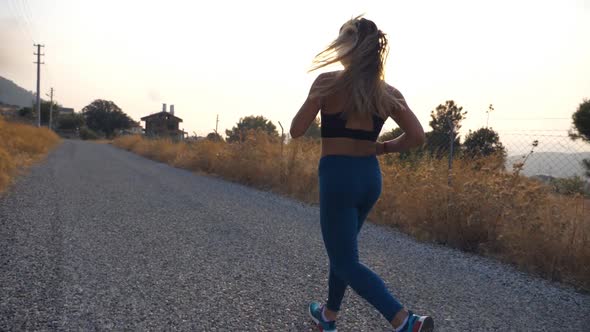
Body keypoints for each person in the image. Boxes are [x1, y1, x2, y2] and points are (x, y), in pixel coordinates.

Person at [290, 16, 433, 332]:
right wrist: (382, 149)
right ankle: (328, 315)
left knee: (344, 261)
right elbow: (417, 136)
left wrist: (315, 98)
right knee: (344, 250)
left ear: (346, 47)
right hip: (369, 178)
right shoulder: (388, 92)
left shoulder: (327, 82)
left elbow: (297, 130)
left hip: (337, 177)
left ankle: (404, 320)